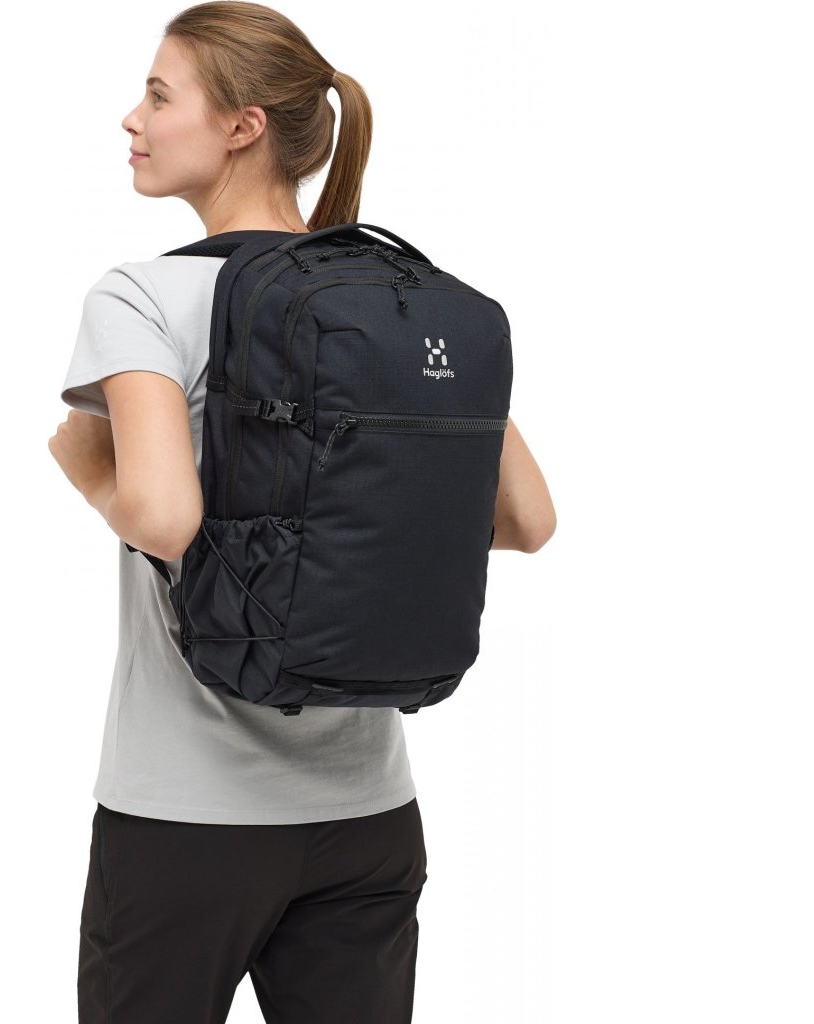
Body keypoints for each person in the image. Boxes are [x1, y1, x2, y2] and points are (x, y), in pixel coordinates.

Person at [47, 3, 557, 1022]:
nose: (132, 119)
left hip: (185, 817)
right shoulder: (401, 299)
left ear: (243, 126)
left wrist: (88, 469)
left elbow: (162, 516)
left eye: (159, 94)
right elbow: (528, 520)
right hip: (369, 816)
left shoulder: (144, 296)